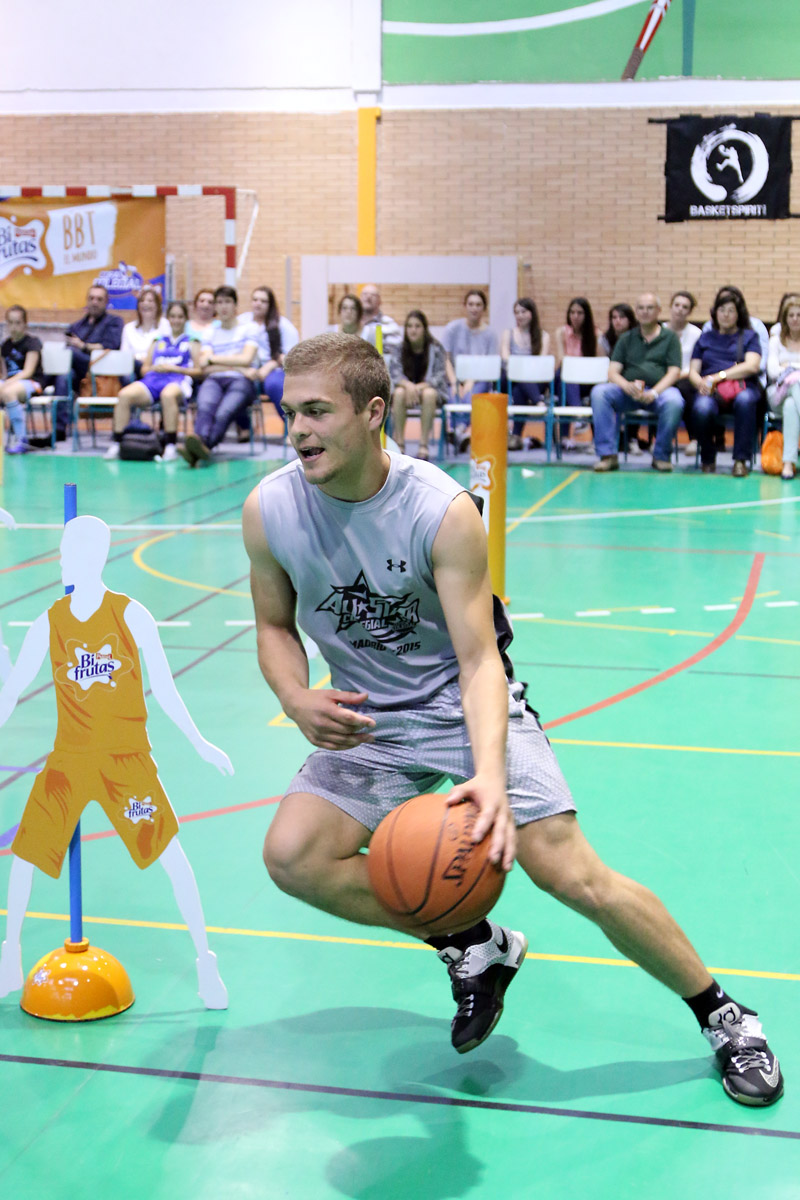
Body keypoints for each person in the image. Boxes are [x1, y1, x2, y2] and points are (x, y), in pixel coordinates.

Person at [242, 332, 782, 1107]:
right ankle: (472, 943)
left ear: (372, 412)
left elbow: (478, 662)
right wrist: (295, 697)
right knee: (294, 857)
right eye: (289, 411)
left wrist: (490, 777)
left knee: (570, 873)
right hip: (368, 717)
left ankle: (724, 1014)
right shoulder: (270, 509)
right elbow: (272, 625)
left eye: (317, 412)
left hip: (461, 705)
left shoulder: (440, 512)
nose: (297, 431)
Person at [0, 515, 233, 1007]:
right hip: (69, 760)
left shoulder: (130, 614)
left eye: (66, 552)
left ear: (90, 557)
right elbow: (14, 688)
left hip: (126, 763)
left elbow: (164, 689)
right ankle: (10, 956)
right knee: (25, 854)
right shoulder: (50, 620)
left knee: (171, 854)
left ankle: (206, 963)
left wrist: (199, 742)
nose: (60, 560)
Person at [591, 294, 683, 473]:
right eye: (641, 308)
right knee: (599, 393)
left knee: (675, 401)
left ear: (659, 311)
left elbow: (674, 372)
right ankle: (607, 456)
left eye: (650, 308)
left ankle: (661, 456)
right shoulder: (626, 338)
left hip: (659, 392)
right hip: (628, 392)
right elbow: (612, 372)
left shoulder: (670, 338)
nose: (645, 312)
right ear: (636, 312)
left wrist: (654, 393)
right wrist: (626, 386)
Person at [105, 300, 202, 462]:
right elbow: (144, 369)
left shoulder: (192, 341)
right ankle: (117, 443)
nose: (176, 320)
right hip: (153, 380)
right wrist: (155, 368)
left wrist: (175, 369)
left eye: (180, 317)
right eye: (173, 316)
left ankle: (170, 446)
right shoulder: (158, 341)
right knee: (124, 395)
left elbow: (199, 371)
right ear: (168, 318)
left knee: (167, 395)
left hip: (178, 380)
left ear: (186, 319)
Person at [28, 284, 123, 447]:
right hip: (78, 374)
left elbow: (111, 346)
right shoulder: (76, 326)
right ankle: (59, 431)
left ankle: (38, 384)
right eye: (91, 298)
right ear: (87, 301)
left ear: (106, 302)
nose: (94, 302)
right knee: (63, 375)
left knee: (70, 353)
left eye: (99, 299)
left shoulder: (114, 322)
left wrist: (83, 346)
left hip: (101, 370)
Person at [180, 285, 258, 467]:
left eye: (227, 302)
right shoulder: (210, 332)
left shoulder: (249, 329)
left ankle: (200, 447)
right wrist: (238, 365)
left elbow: (247, 359)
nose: (223, 307)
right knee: (205, 406)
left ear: (235, 305)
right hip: (215, 379)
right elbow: (203, 365)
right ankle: (201, 447)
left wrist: (213, 359)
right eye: (220, 302)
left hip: (241, 382)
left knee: (224, 413)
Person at [689, 290, 762, 476]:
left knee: (746, 401)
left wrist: (719, 376)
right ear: (715, 313)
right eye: (722, 310)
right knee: (701, 407)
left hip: (742, 386)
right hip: (710, 389)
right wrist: (701, 384)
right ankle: (708, 457)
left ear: (739, 314)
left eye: (731, 310)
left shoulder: (749, 336)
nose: (726, 315)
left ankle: (740, 460)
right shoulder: (705, 338)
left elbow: (752, 366)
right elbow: (693, 371)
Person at [441, 290, 499, 453]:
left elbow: (489, 364)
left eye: (478, 305)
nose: (474, 308)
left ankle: (458, 430)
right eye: (471, 304)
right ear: (465, 306)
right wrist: (454, 382)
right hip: (454, 378)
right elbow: (445, 359)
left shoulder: (490, 335)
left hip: (480, 379)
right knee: (454, 394)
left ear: (484, 308)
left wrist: (470, 381)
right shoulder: (452, 329)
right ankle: (460, 432)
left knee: (471, 395)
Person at [388, 310, 449, 459]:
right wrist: (408, 386)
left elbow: (439, 376)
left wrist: (417, 388)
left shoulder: (436, 348)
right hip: (405, 392)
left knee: (429, 394)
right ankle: (400, 444)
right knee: (399, 393)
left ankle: (423, 445)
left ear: (424, 329)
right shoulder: (399, 349)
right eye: (409, 326)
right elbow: (394, 374)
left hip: (431, 392)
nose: (413, 330)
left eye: (417, 326)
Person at [500, 298, 551, 451]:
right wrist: (520, 368)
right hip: (511, 378)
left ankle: (516, 436)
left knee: (519, 391)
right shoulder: (508, 333)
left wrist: (525, 369)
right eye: (517, 312)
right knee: (517, 379)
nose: (520, 315)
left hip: (536, 380)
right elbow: (505, 358)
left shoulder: (543, 336)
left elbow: (542, 363)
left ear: (532, 313)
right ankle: (538, 402)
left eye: (523, 312)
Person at [554, 297, 599, 450]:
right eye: (572, 312)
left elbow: (597, 364)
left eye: (580, 313)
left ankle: (571, 431)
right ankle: (579, 418)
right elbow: (561, 359)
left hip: (587, 381)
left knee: (568, 382)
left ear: (586, 315)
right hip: (566, 378)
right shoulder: (561, 332)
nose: (575, 316)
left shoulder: (596, 334)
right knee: (564, 377)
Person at [0, 306, 45, 455]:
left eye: (18, 323)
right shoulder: (5, 345)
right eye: (10, 323)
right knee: (5, 390)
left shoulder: (32, 343)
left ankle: (22, 439)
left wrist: (6, 383)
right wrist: (4, 382)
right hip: (11, 383)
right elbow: (4, 373)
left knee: (8, 392)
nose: (14, 327)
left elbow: (28, 371)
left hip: (32, 383)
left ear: (25, 324)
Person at [599, 303, 641, 455]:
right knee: (598, 394)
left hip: (630, 380)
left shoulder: (638, 338)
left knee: (635, 391)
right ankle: (603, 441)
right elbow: (602, 365)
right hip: (610, 381)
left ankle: (631, 439)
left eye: (622, 317)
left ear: (630, 319)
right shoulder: (604, 339)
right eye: (614, 317)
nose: (617, 321)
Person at [664, 291, 702, 457]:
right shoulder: (660, 330)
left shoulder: (696, 334)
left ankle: (694, 439)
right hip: (662, 378)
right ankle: (657, 439)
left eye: (685, 307)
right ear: (670, 307)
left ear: (690, 311)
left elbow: (696, 364)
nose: (680, 309)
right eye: (677, 305)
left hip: (686, 377)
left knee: (685, 389)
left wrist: (678, 375)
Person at [767, 294, 800, 480]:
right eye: (791, 315)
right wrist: (795, 371)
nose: (795, 319)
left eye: (799, 315)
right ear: (785, 318)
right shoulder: (776, 341)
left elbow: (781, 369)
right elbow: (772, 372)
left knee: (791, 406)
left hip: (794, 399)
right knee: (794, 382)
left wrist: (789, 367)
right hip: (777, 393)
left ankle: (788, 463)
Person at [120, 287, 170, 376]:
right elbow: (124, 355)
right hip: (133, 370)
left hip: (157, 369)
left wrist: (146, 360)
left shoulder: (164, 325)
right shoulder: (128, 328)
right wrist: (140, 359)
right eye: (142, 301)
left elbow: (166, 351)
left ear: (157, 306)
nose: (145, 303)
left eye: (150, 301)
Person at [359, 284, 402, 354]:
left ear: (380, 301)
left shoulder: (389, 324)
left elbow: (395, 353)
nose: (368, 297)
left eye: (373, 295)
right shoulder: (353, 324)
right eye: (365, 294)